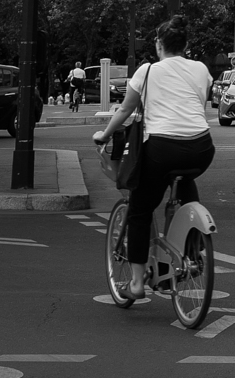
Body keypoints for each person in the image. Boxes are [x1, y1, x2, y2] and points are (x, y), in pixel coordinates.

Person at [92, 17, 215, 301]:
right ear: (185, 45)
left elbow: (125, 110)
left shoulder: (147, 71)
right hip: (201, 147)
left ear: (159, 44)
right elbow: (195, 104)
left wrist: (104, 135)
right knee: (184, 177)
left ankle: (137, 284)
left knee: (140, 210)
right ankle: (191, 247)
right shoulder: (201, 69)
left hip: (162, 148)